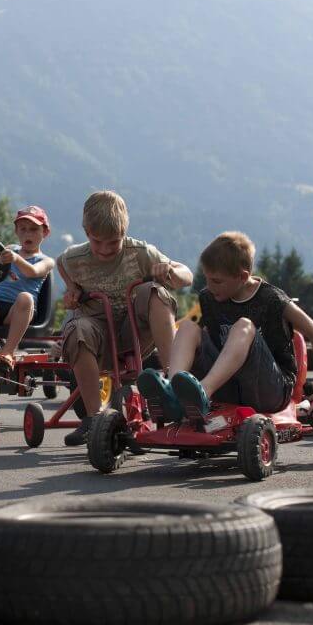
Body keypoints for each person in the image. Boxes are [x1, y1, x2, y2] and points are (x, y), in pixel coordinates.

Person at [137, 231, 313, 421]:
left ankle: (203, 391)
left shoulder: (272, 299)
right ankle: (173, 391)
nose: (210, 287)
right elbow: (200, 342)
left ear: (243, 276)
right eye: (207, 279)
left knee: (244, 326)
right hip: (227, 385)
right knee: (188, 327)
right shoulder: (208, 297)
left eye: (217, 281)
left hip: (269, 389)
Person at [57, 190, 192, 446]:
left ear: (124, 234)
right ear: (87, 233)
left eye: (114, 242)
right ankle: (95, 419)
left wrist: (171, 270)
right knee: (76, 328)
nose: (106, 249)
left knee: (153, 291)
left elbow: (188, 276)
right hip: (98, 338)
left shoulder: (140, 253)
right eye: (98, 242)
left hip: (136, 337)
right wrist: (71, 291)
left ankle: (174, 381)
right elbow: (61, 264)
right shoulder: (73, 259)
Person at [0, 206, 54, 368]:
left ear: (45, 233)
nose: (28, 234)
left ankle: (8, 351)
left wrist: (15, 259)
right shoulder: (11, 249)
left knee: (25, 297)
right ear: (17, 231)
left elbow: (32, 272)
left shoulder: (46, 260)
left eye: (34, 229)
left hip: (21, 310)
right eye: (23, 229)